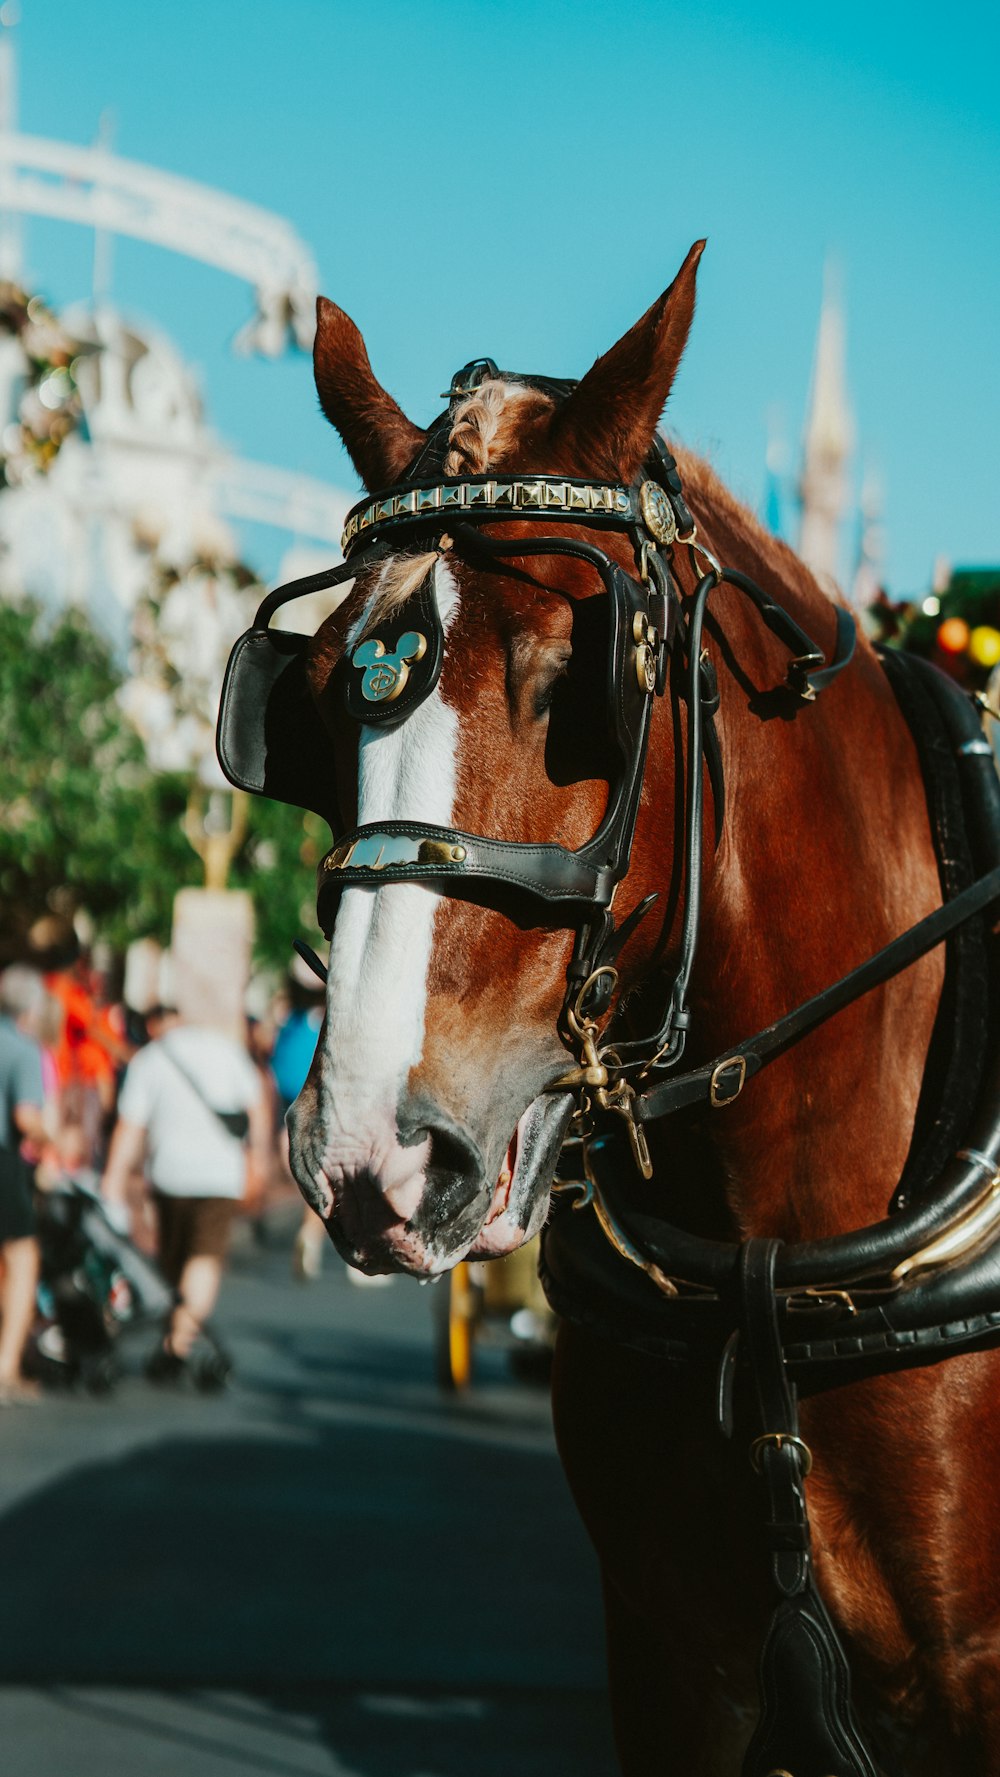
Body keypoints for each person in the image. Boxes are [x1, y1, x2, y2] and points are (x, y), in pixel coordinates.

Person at [101, 1006, 268, 1378]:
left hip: (169, 1173)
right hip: (221, 1174)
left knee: (173, 1259)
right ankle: (179, 1338)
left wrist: (113, 1177)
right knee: (204, 1256)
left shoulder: (150, 1058)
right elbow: (256, 1103)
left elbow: (130, 1125)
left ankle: (176, 1338)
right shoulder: (226, 1051)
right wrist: (258, 1157)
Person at [0, 967, 48, 1404]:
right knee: (21, 1257)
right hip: (4, 1160)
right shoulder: (22, 1049)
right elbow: (25, 1119)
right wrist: (53, 1140)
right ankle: (7, 1366)